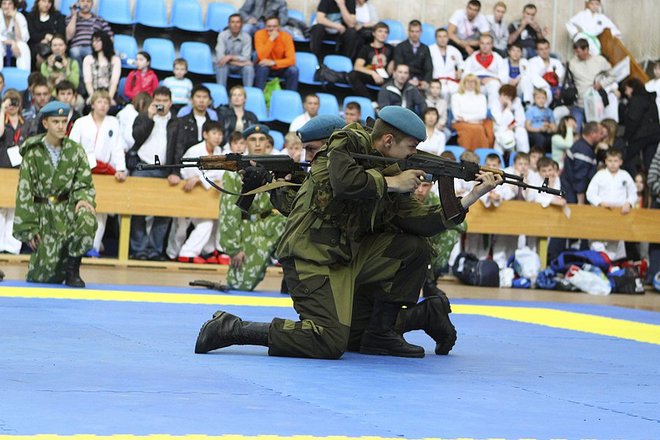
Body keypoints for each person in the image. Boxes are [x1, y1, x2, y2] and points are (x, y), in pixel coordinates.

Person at [194, 106, 501, 359]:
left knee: (414, 249)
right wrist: (392, 183)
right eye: (411, 147)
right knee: (329, 341)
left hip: (347, 256)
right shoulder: (343, 151)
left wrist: (471, 197)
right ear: (388, 140)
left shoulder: (388, 168)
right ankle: (233, 328)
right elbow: (339, 186)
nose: (310, 158)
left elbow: (419, 221)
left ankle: (398, 327)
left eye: (313, 149)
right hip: (311, 256)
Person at [13, 100, 97, 287]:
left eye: (64, 121)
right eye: (56, 122)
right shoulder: (33, 152)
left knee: (87, 218)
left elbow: (84, 183)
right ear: (45, 123)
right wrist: (29, 229)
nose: (61, 126)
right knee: (42, 278)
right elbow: (24, 192)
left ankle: (73, 269)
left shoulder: (75, 151)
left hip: (67, 212)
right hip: (44, 215)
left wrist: (83, 200)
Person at [218, 124, 287, 291]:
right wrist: (234, 248)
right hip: (250, 230)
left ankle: (290, 287)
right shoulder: (234, 172)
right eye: (252, 139)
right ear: (245, 143)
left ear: (267, 142)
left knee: (298, 255)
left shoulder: (278, 168)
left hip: (275, 225)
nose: (257, 143)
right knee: (239, 286)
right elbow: (229, 212)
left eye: (261, 139)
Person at [68, 89, 125, 257]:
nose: (103, 105)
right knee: (80, 208)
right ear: (92, 104)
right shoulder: (81, 122)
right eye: (99, 102)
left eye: (106, 102)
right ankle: (77, 245)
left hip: (105, 172)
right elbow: (71, 147)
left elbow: (118, 147)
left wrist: (120, 169)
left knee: (101, 211)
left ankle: (92, 247)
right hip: (82, 171)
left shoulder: (113, 122)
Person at [129, 86, 179, 260]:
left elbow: (179, 149)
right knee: (137, 208)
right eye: (158, 101)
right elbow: (137, 137)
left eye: (165, 101)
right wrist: (149, 118)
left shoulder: (176, 122)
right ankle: (139, 249)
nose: (161, 104)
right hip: (143, 167)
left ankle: (155, 249)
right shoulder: (143, 117)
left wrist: (175, 171)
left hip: (165, 170)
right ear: (153, 101)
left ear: (170, 103)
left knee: (164, 212)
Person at [166, 120, 225, 264]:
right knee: (180, 229)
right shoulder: (194, 151)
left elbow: (220, 173)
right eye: (214, 133)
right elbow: (189, 176)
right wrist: (200, 178)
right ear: (205, 134)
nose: (217, 137)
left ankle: (191, 253)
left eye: (220, 134)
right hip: (187, 193)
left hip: (206, 197)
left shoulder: (219, 151)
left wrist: (200, 178)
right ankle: (172, 255)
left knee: (208, 223)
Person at [586, 148, 636, 260]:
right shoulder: (600, 175)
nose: (613, 164)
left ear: (620, 162)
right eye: (610, 161)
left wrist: (628, 203)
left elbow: (633, 194)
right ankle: (601, 262)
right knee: (598, 242)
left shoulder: (625, 175)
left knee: (615, 244)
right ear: (605, 161)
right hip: (602, 213)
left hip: (620, 214)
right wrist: (601, 203)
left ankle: (613, 265)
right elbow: (590, 193)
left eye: (615, 161)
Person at [0, 89, 27, 255]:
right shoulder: (2, 120)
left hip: (20, 170)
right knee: (1, 208)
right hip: (2, 168)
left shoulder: (26, 123)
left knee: (16, 208)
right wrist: (2, 110)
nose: (12, 105)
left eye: (15, 101)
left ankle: (12, 247)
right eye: (9, 101)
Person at [568, 38, 615, 132]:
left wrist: (601, 84)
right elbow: (567, 79)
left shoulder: (599, 60)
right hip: (579, 103)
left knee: (594, 132)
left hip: (594, 103)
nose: (577, 54)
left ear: (586, 49)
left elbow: (612, 75)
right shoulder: (572, 63)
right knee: (574, 130)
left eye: (579, 52)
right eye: (575, 52)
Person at [620, 78, 660, 175]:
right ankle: (649, 181)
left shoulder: (636, 101)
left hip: (641, 136)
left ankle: (635, 178)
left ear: (632, 88)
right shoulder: (650, 98)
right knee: (649, 162)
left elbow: (633, 121)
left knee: (625, 157)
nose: (626, 92)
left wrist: (626, 138)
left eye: (626, 89)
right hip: (654, 135)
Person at [347, 21, 394, 99]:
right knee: (352, 75)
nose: (383, 34)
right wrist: (373, 73)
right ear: (373, 33)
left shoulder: (391, 48)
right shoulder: (366, 48)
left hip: (386, 77)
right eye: (380, 31)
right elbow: (357, 67)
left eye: (386, 32)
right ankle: (370, 101)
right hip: (371, 75)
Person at [560, 121, 603, 204]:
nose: (602, 136)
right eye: (600, 133)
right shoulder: (583, 150)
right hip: (573, 196)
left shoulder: (581, 145)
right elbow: (580, 177)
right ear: (592, 134)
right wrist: (580, 201)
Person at [254, 15, 298, 91]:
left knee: (293, 70)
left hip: (280, 67)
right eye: (269, 26)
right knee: (262, 68)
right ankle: (259, 94)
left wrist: (274, 62)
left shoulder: (286, 37)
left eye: (274, 26)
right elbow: (261, 56)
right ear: (265, 27)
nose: (271, 29)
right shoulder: (259, 34)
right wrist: (271, 39)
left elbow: (291, 60)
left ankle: (291, 96)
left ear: (279, 27)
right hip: (264, 66)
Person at [462, 34, 508, 104]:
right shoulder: (472, 57)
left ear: (492, 45)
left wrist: (491, 79)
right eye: (482, 43)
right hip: (475, 83)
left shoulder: (498, 58)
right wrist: (477, 80)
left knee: (494, 84)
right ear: (479, 44)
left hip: (492, 82)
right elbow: (465, 75)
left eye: (487, 44)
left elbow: (504, 78)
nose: (485, 46)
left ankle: (492, 109)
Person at [451, 74, 493, 150]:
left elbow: (482, 115)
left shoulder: (481, 97)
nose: (470, 83)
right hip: (461, 123)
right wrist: (473, 120)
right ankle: (468, 153)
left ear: (476, 83)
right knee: (476, 128)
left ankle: (481, 153)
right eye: (468, 81)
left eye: (473, 81)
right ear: (463, 83)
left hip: (479, 123)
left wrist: (466, 118)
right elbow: (457, 116)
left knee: (482, 128)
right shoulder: (456, 96)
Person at [65, 0, 111, 68]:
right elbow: (68, 36)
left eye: (88, 1)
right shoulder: (70, 18)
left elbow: (109, 36)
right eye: (82, 1)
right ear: (78, 3)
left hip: (94, 47)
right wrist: (74, 16)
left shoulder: (99, 19)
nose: (85, 4)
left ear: (92, 4)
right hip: (77, 47)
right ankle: (80, 75)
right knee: (75, 52)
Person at [215, 13, 254, 88]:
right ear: (229, 24)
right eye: (232, 22)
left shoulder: (247, 37)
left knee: (249, 68)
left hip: (240, 67)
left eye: (238, 22)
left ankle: (248, 92)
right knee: (221, 66)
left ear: (242, 24)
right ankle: (221, 91)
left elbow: (246, 57)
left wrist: (230, 57)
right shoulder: (222, 35)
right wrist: (240, 62)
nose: (235, 25)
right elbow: (220, 58)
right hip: (227, 65)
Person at [81, 30, 121, 105]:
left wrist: (109, 99)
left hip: (109, 94)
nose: (94, 43)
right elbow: (88, 81)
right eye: (93, 41)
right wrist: (93, 97)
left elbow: (114, 82)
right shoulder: (88, 59)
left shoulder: (115, 59)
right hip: (94, 93)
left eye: (98, 41)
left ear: (105, 41)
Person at [393, 20, 433, 90]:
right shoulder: (400, 47)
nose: (414, 34)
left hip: (421, 82)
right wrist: (408, 80)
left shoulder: (425, 48)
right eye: (412, 31)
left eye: (417, 31)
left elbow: (429, 68)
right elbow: (398, 66)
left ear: (421, 32)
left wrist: (425, 81)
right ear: (408, 32)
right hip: (404, 81)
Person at [25, 0, 65, 68]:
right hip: (36, 44)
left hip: (54, 43)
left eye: (49, 2)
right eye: (44, 1)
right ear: (38, 2)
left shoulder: (57, 15)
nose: (46, 4)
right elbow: (32, 34)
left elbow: (61, 32)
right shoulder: (30, 16)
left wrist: (51, 39)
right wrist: (45, 36)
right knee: (39, 56)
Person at [490, 84, 528, 155]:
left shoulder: (517, 102)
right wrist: (508, 108)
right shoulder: (495, 103)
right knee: (503, 134)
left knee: (522, 131)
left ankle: (523, 155)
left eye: (508, 97)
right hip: (499, 128)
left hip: (513, 128)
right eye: (503, 95)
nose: (505, 98)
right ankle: (499, 157)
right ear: (500, 94)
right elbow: (500, 121)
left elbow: (521, 120)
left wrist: (513, 125)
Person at [526, 38, 564, 106]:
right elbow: (534, 78)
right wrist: (548, 86)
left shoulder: (556, 62)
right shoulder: (532, 62)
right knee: (546, 91)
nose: (544, 51)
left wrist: (558, 88)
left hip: (556, 90)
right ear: (537, 51)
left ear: (549, 49)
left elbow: (560, 78)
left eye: (546, 48)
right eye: (541, 49)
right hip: (539, 89)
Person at [428, 27, 463, 101]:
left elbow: (461, 64)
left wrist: (460, 70)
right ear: (436, 38)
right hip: (436, 81)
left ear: (448, 38)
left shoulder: (454, 50)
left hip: (451, 81)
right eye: (440, 37)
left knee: (459, 92)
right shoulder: (430, 50)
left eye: (444, 36)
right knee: (444, 91)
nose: (442, 39)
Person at [0, 0, 31, 70]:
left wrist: (15, 19)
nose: (6, 7)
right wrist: (11, 42)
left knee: (23, 46)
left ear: (14, 6)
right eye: (4, 4)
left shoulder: (19, 16)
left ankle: (24, 74)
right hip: (2, 44)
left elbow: (22, 38)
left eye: (10, 4)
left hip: (15, 46)